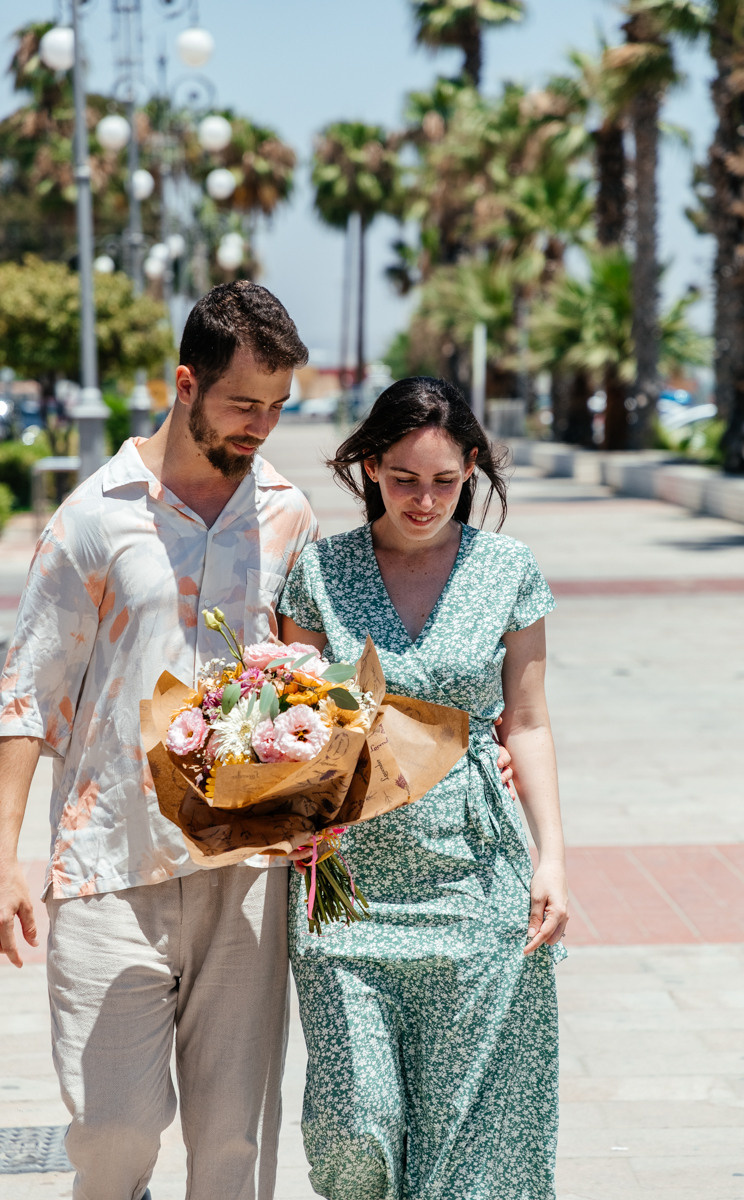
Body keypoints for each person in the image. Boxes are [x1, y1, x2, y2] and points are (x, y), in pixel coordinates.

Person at [0, 281, 316, 1200]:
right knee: (114, 1132)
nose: (261, 427)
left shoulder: (289, 515)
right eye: (243, 404)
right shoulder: (94, 516)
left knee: (231, 1147)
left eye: (276, 407)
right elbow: (25, 698)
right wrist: (4, 856)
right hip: (110, 864)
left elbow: (313, 686)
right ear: (186, 384)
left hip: (245, 871)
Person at [279, 376, 570, 1200]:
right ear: (370, 466)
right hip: (345, 888)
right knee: (352, 1127)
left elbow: (528, 722)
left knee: (468, 1135)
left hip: (477, 878)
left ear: (472, 468)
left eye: (445, 480)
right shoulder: (318, 574)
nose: (425, 500)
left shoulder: (507, 569)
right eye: (404, 478)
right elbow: (289, 724)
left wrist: (552, 858)